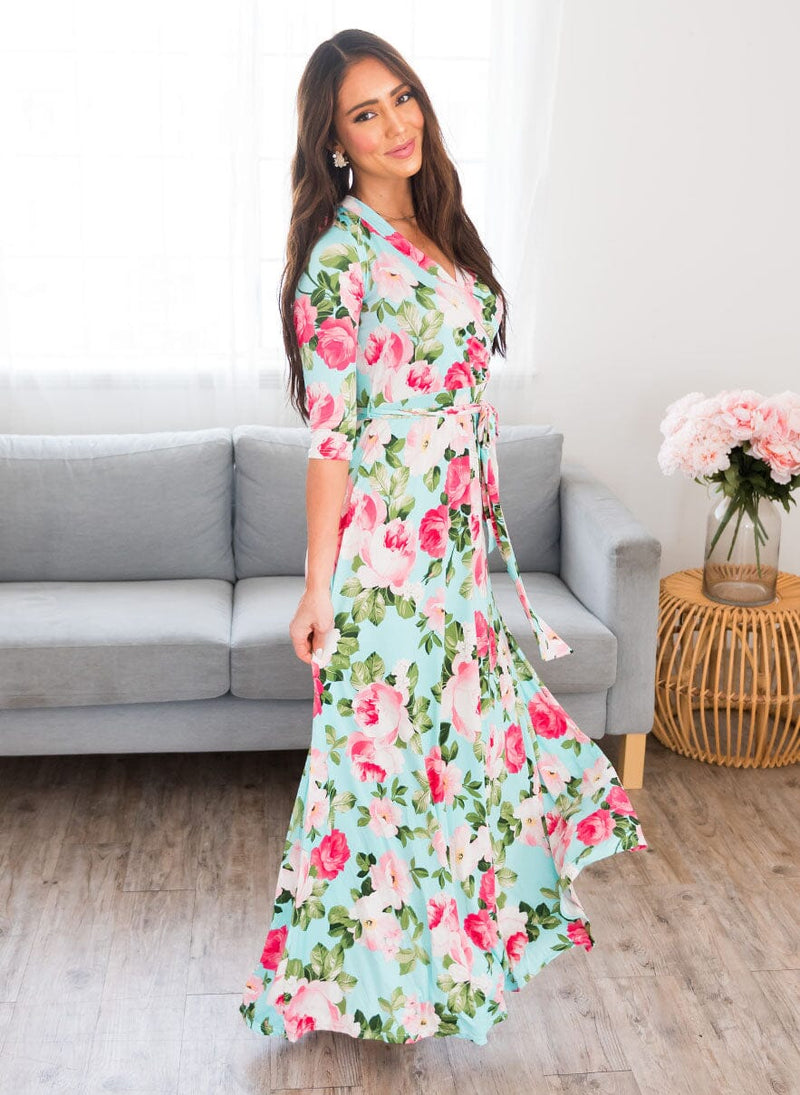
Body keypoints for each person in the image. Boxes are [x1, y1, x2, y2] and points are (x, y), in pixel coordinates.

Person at [240, 28, 648, 1046]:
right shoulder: (338, 259)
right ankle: (351, 984)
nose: (394, 124)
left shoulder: (437, 229)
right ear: (333, 141)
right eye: (364, 113)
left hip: (450, 544)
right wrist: (317, 586)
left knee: (448, 750)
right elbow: (331, 439)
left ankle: (410, 979)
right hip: (386, 554)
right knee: (375, 764)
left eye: (402, 97)